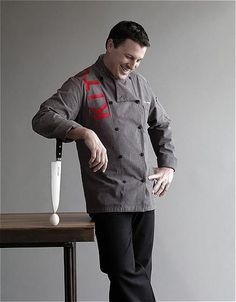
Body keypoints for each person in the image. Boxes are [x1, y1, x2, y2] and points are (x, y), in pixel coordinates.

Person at [32, 21, 177, 302]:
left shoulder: (141, 84)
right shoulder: (83, 84)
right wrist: (83, 131)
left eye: (139, 60)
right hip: (108, 198)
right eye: (128, 56)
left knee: (136, 278)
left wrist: (168, 165)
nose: (133, 65)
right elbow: (43, 118)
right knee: (125, 275)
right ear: (110, 45)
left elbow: (162, 124)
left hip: (144, 196)